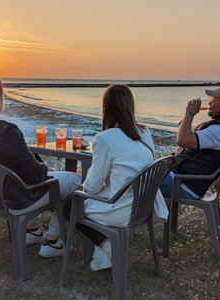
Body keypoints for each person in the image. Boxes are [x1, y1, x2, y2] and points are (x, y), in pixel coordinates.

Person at [0, 75, 81, 257]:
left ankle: (34, 231)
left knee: (33, 177)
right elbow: (37, 177)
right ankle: (52, 240)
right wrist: (43, 167)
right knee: (74, 179)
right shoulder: (6, 131)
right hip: (17, 201)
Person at [63, 84, 169, 271]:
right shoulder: (145, 132)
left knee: (69, 205)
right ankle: (102, 256)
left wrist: (82, 188)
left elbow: (93, 186)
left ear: (106, 107)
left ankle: (107, 245)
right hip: (142, 207)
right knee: (79, 198)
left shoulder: (105, 138)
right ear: (130, 106)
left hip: (120, 209)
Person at [159, 83, 220, 200]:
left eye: (214, 99)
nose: (210, 103)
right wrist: (184, 145)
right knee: (134, 177)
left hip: (181, 185)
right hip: (180, 178)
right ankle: (156, 217)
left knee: (132, 184)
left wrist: (189, 113)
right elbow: (185, 140)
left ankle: (149, 218)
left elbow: (182, 139)